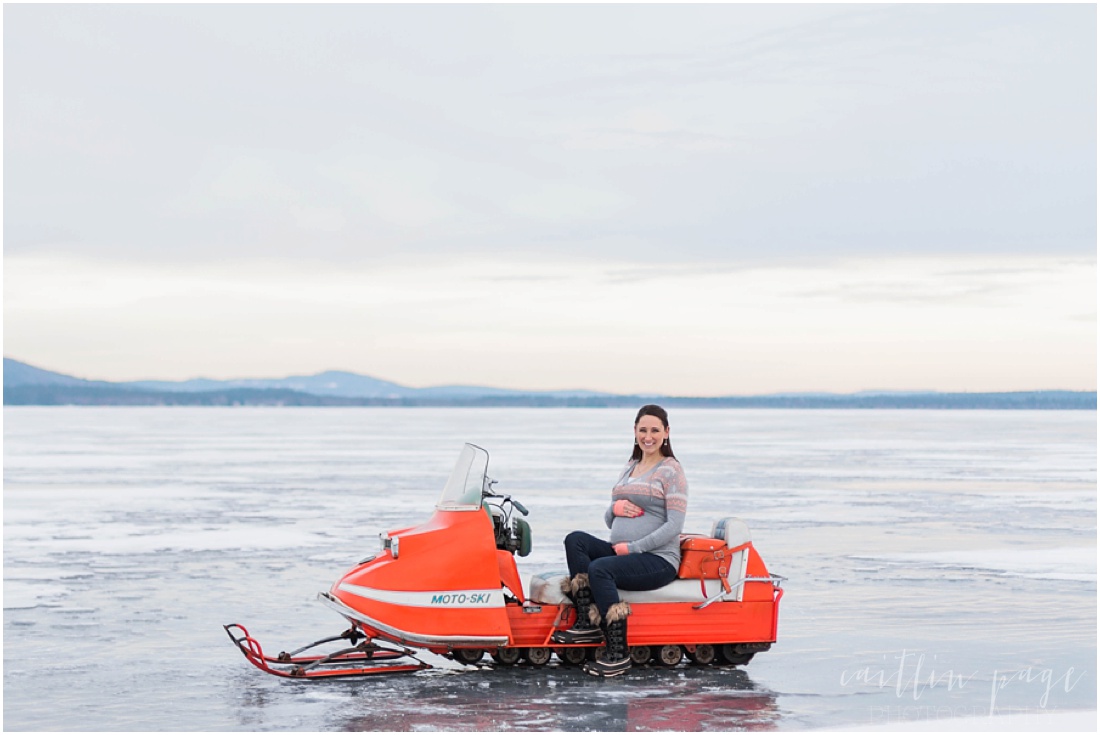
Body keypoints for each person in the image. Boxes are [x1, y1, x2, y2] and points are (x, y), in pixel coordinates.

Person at [552, 404, 688, 678]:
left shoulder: (671, 471)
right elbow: (612, 517)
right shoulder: (631, 466)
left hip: (658, 559)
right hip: (623, 552)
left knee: (600, 568)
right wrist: (613, 510)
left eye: (654, 430)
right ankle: (585, 620)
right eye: (642, 430)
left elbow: (675, 525)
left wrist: (634, 548)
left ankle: (618, 654)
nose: (648, 436)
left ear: (666, 433)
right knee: (575, 540)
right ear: (635, 432)